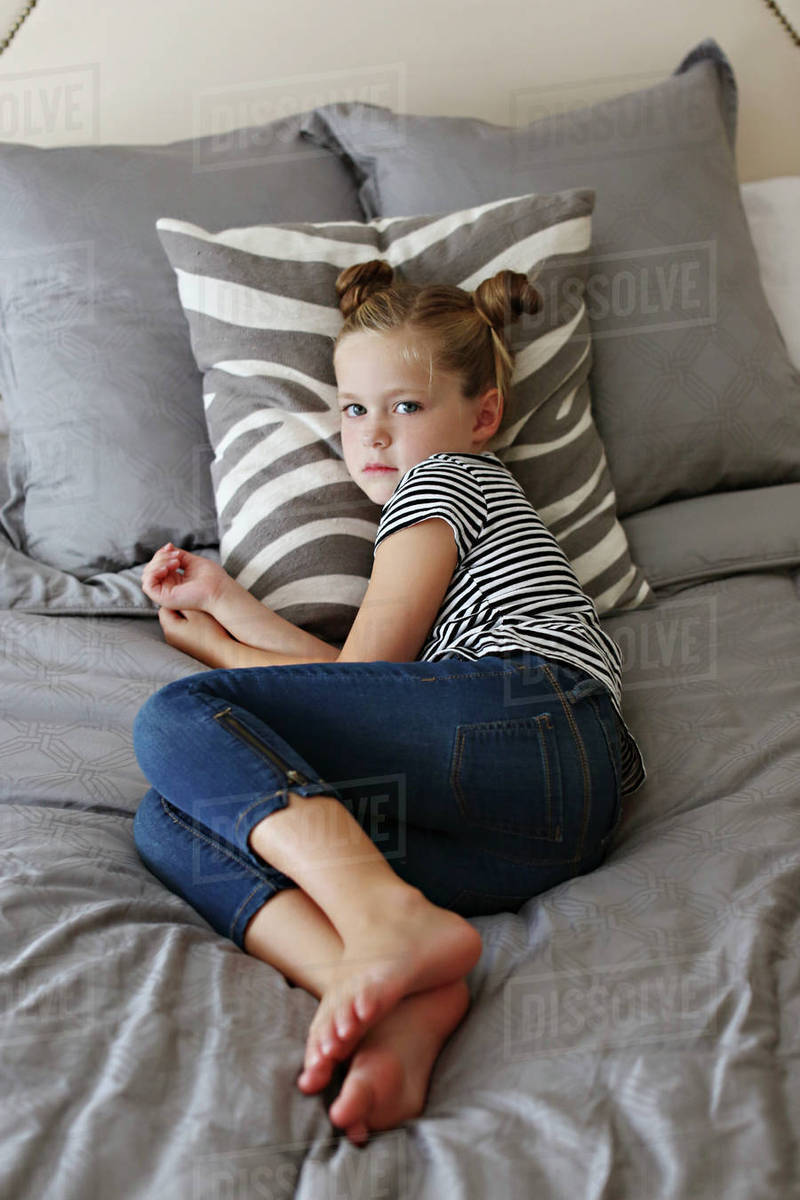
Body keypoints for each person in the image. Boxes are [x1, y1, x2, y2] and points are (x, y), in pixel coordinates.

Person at [131, 258, 646, 1148]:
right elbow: (371, 685)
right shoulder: (444, 503)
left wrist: (219, 658)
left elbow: (366, 667)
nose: (372, 435)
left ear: (479, 417)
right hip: (542, 827)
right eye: (353, 409)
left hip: (537, 713)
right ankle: (389, 997)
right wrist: (225, 609)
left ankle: (380, 921)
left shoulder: (442, 481)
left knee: (174, 720)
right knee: (172, 816)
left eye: (404, 406)